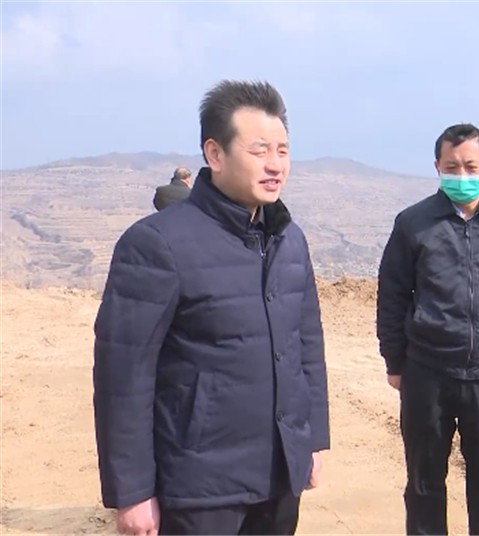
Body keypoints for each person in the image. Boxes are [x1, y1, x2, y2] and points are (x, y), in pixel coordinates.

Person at [93, 80, 329, 536]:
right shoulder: (157, 243)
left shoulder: (289, 239)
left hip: (279, 477)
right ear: (215, 154)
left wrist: (311, 442)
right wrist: (133, 492)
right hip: (198, 487)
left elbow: (306, 348)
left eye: (282, 150)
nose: (275, 164)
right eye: (259, 150)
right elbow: (123, 376)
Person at [376, 123, 479, 535]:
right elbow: (392, 296)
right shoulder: (413, 223)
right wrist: (395, 362)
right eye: (452, 167)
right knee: (424, 482)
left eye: (470, 166)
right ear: (437, 167)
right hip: (426, 372)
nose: (462, 175)